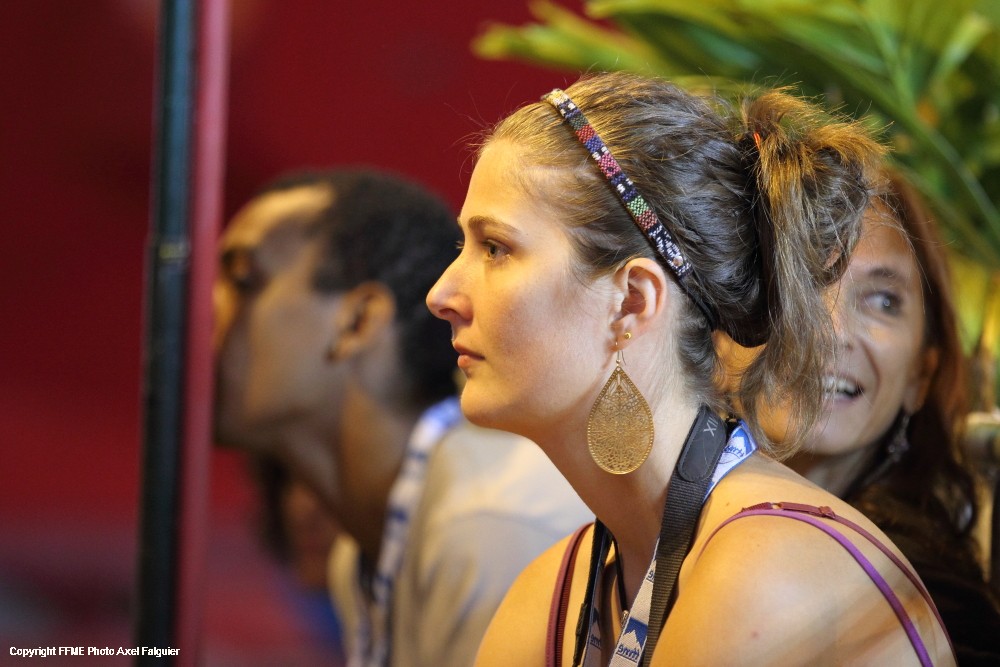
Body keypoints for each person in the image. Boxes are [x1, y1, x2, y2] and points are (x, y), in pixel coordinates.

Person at [427, 71, 956, 665]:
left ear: (632, 302)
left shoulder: (767, 570)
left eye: (495, 248)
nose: (442, 294)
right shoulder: (550, 594)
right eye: (464, 247)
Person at [213, 169, 593, 667]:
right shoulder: (357, 556)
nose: (202, 312)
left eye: (243, 281)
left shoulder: (486, 528)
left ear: (357, 322)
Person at [777, 170, 1000, 664]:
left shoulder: (924, 597)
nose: (834, 332)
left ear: (922, 374)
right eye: (805, 279)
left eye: (883, 300)